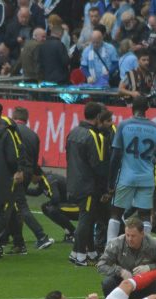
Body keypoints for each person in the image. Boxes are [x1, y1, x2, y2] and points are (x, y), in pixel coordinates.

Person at [106, 96, 156, 242]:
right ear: (147, 109)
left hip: (126, 176)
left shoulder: (124, 125)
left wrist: (110, 182)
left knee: (116, 213)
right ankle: (145, 249)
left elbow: (115, 155)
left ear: (132, 107)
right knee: (145, 215)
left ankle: (110, 248)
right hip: (146, 177)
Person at [6, 107, 54, 253]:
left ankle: (41, 236)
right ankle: (18, 243)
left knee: (19, 206)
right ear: (26, 119)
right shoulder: (33, 135)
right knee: (14, 208)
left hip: (15, 173)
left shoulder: (10, 131)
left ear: (13, 117)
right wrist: (36, 173)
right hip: (27, 173)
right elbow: (34, 159)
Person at [66, 102, 108, 266]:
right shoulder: (94, 136)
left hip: (74, 183)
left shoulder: (73, 132)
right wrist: (104, 187)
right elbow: (98, 164)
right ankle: (79, 255)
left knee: (88, 218)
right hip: (88, 186)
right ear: (98, 117)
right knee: (86, 219)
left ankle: (87, 252)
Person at [0, 107, 23, 259]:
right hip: (1, 178)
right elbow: (12, 157)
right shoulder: (6, 134)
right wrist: (17, 170)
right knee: (1, 210)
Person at [26, 172, 77, 243]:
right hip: (69, 205)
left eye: (30, 178)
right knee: (45, 207)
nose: (30, 180)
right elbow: (37, 192)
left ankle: (75, 233)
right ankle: (69, 232)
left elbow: (56, 198)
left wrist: (49, 205)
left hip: (77, 206)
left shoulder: (49, 180)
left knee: (53, 210)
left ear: (35, 175)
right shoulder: (43, 181)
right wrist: (23, 190)